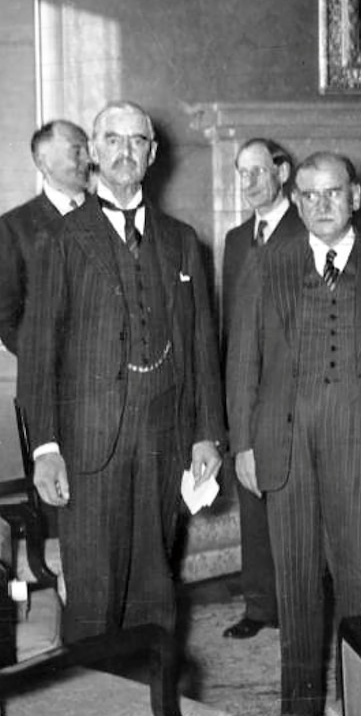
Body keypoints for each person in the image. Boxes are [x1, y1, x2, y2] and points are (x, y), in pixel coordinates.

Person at [227, 151, 361, 716]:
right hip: (284, 447)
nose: (321, 205)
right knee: (293, 589)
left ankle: (359, 701)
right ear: (296, 200)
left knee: (358, 583)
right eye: (310, 195)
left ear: (356, 196)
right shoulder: (267, 264)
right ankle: (301, 706)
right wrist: (242, 444)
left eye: (333, 193)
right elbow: (242, 360)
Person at [18, 100, 225, 643]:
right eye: (113, 139)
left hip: (164, 440)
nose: (125, 151)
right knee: (91, 595)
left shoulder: (183, 242)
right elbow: (38, 355)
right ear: (94, 151)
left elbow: (202, 344)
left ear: (152, 154)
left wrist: (208, 434)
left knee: (155, 590)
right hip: (88, 447)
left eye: (137, 141)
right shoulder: (61, 240)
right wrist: (45, 449)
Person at [220, 138, 306, 640]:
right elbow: (231, 324)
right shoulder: (235, 241)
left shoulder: (307, 231)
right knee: (253, 499)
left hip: (292, 393)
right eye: (241, 173)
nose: (248, 182)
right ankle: (260, 606)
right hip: (246, 390)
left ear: (283, 172)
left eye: (257, 172)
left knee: (295, 505)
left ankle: (300, 604)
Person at [0, 120, 90, 353]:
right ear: (43, 161)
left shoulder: (112, 216)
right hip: (47, 378)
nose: (88, 160)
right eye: (77, 151)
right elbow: (5, 316)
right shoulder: (13, 227)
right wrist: (43, 359)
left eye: (88, 149)